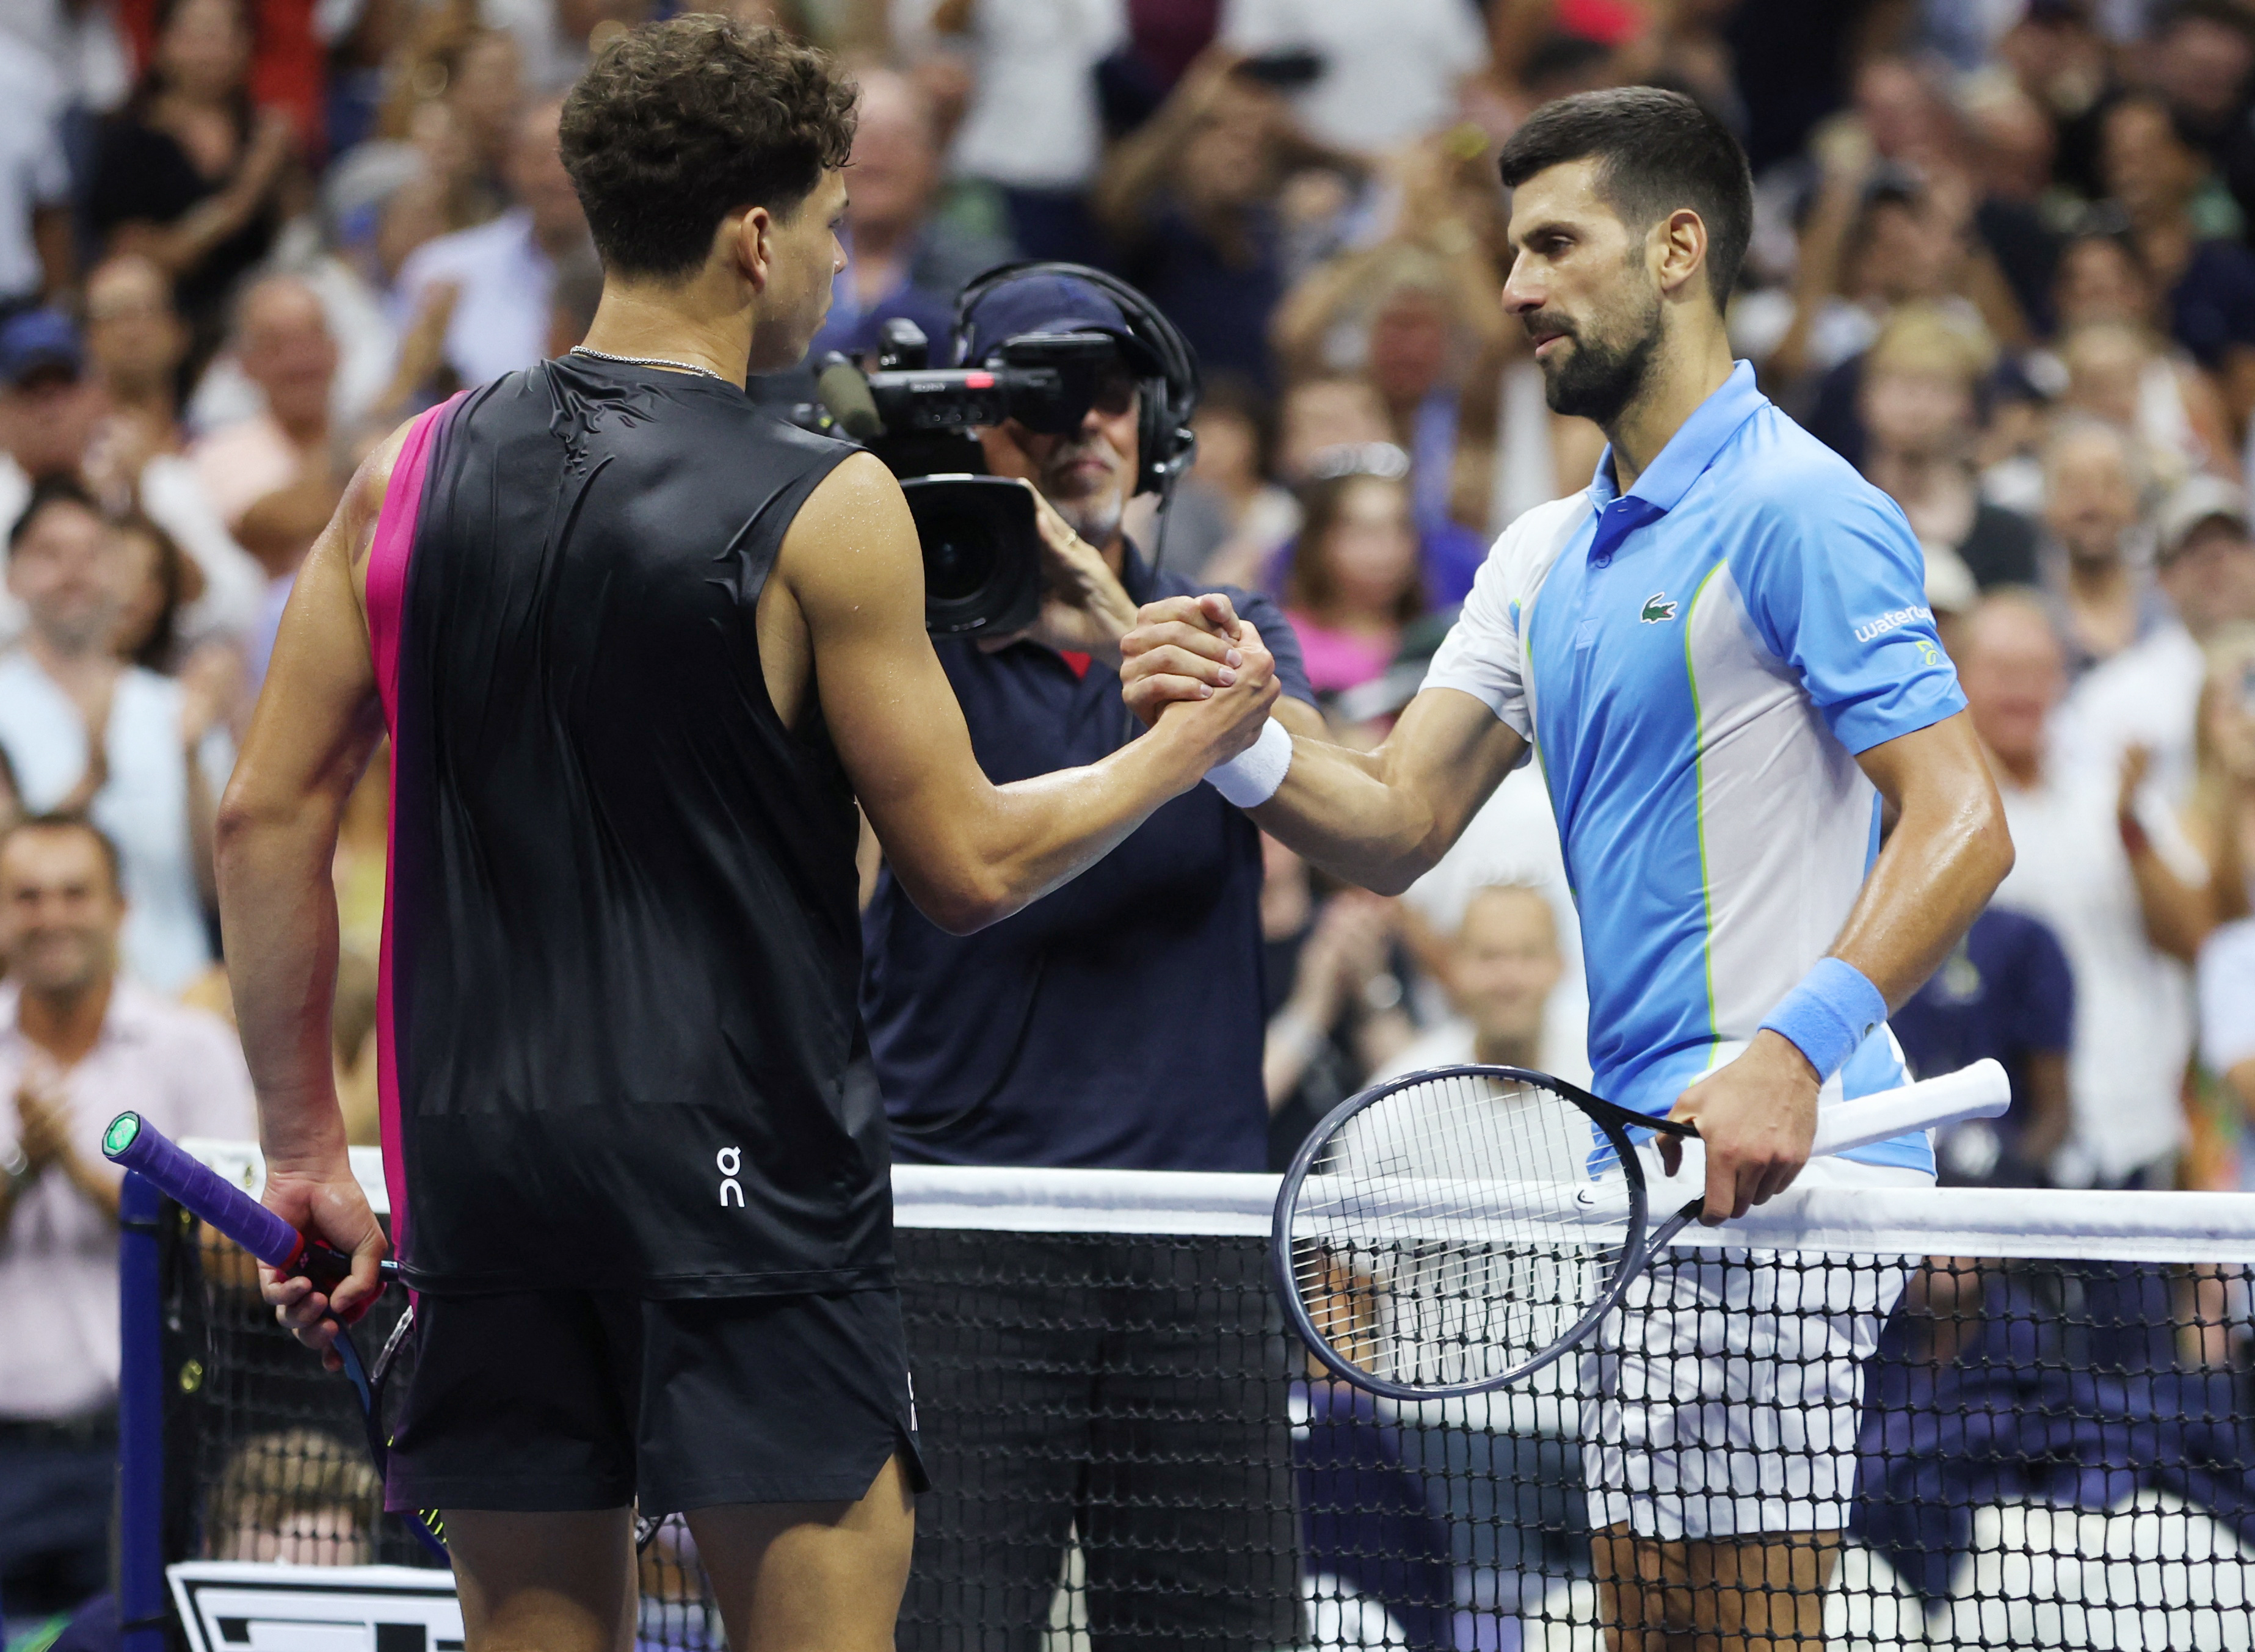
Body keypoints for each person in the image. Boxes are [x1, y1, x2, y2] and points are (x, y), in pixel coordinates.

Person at [230, 21, 1279, 1652]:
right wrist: (1185, 749)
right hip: (748, 1191)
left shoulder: (405, 473)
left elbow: (265, 812)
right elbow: (971, 864)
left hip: (482, 1172)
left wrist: (304, 1152)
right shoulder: (824, 498)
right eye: (839, 218)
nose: (844, 257)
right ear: (757, 237)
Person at [1117, 88, 2012, 1651]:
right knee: (1643, 1618)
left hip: (1795, 1165)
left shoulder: (1797, 506)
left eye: (1553, 243)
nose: (1515, 286)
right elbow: (1393, 817)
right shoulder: (1536, 556)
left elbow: (1961, 819)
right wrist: (1232, 733)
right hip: (1644, 1173)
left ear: (1676, 251)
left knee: (1733, 1630)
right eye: (1508, 247)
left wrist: (1789, 1055)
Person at [859, 262, 1323, 1652]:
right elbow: (965, 876)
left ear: (1160, 426)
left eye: (1111, 396)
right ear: (967, 424)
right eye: (1039, 397)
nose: (1085, 427)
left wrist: (1094, 594)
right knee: (949, 1630)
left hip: (1193, 1230)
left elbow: (1294, 769)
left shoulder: (1239, 637)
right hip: (960, 1228)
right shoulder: (897, 647)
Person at [0, 813, 255, 1621]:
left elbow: (241, 1258)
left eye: (75, 892)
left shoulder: (193, 1049)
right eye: (27, 896)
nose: (51, 915)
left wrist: (84, 1172)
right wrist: (18, 1169)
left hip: (141, 1447)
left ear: (122, 906)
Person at [1957, 590, 2195, 1192]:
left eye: (2039, 670)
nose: (2023, 689)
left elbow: (2192, 939)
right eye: (2004, 671)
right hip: (1994, 1145)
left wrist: (2131, 831)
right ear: (1955, 676)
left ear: (2064, 678)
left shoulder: (2111, 794)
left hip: (2129, 1128)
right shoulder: (1936, 809)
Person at [0, 479, 233, 994]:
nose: (74, 572)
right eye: (50, 554)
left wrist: (193, 758)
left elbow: (225, 892)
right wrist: (86, 787)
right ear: (12, 575)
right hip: (27, 1012)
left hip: (177, 997)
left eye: (93, 554)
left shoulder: (176, 707)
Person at [85, 0, 300, 349]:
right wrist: (244, 194)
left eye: (224, 35)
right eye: (195, 36)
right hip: (177, 323)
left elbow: (298, 233)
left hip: (262, 318)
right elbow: (142, 257)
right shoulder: (130, 140)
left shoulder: (261, 133)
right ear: (162, 44)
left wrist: (288, 168)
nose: (209, 52)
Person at [2067, 474, 2255, 806]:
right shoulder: (2114, 697)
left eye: (2231, 543)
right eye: (2195, 549)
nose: (2217, 561)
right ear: (2164, 578)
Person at [391, 99, 590, 392]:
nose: (555, 176)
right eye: (540, 159)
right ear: (512, 164)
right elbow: (397, 397)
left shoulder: (647, 272)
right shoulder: (443, 268)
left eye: (572, 160)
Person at [1371, 880, 1580, 1085]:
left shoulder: (1603, 1075)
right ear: (1453, 966)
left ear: (1561, 963)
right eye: (1488, 956)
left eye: (1529, 954)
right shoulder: (1403, 1093)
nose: (1508, 979)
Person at [189, 275, 342, 531]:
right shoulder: (218, 455)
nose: (298, 361)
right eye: (275, 346)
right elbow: (271, 529)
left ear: (336, 350)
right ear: (245, 364)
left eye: (311, 339)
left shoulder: (378, 439)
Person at [1280, 457, 1426, 698]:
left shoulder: (1439, 641)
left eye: (1400, 528)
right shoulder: (1284, 646)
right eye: (1362, 532)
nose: (1386, 551)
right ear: (1319, 542)